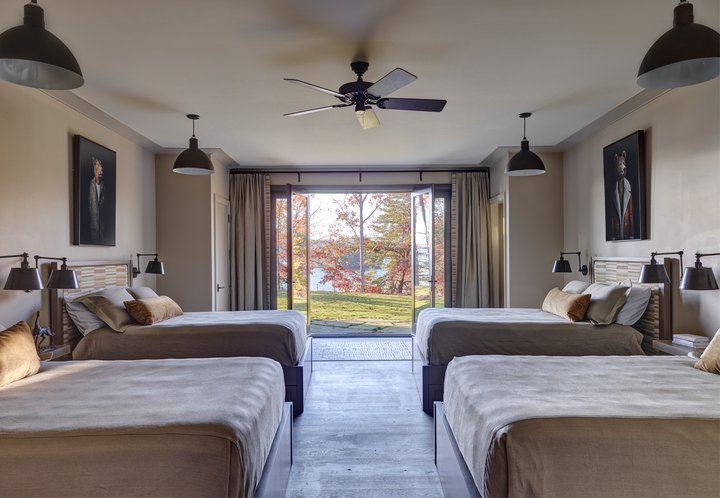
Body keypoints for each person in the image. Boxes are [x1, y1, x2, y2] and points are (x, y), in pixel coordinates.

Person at [611, 150, 633, 239]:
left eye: (623, 163)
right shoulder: (613, 190)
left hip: (627, 231)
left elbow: (630, 213)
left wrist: (632, 235)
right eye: (620, 164)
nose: (623, 166)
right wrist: (612, 236)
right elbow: (612, 216)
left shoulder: (628, 188)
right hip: (617, 232)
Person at [88, 157, 105, 243]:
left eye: (101, 165)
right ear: (95, 167)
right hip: (93, 229)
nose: (101, 168)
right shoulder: (90, 185)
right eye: (98, 165)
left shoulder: (104, 186)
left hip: (102, 230)